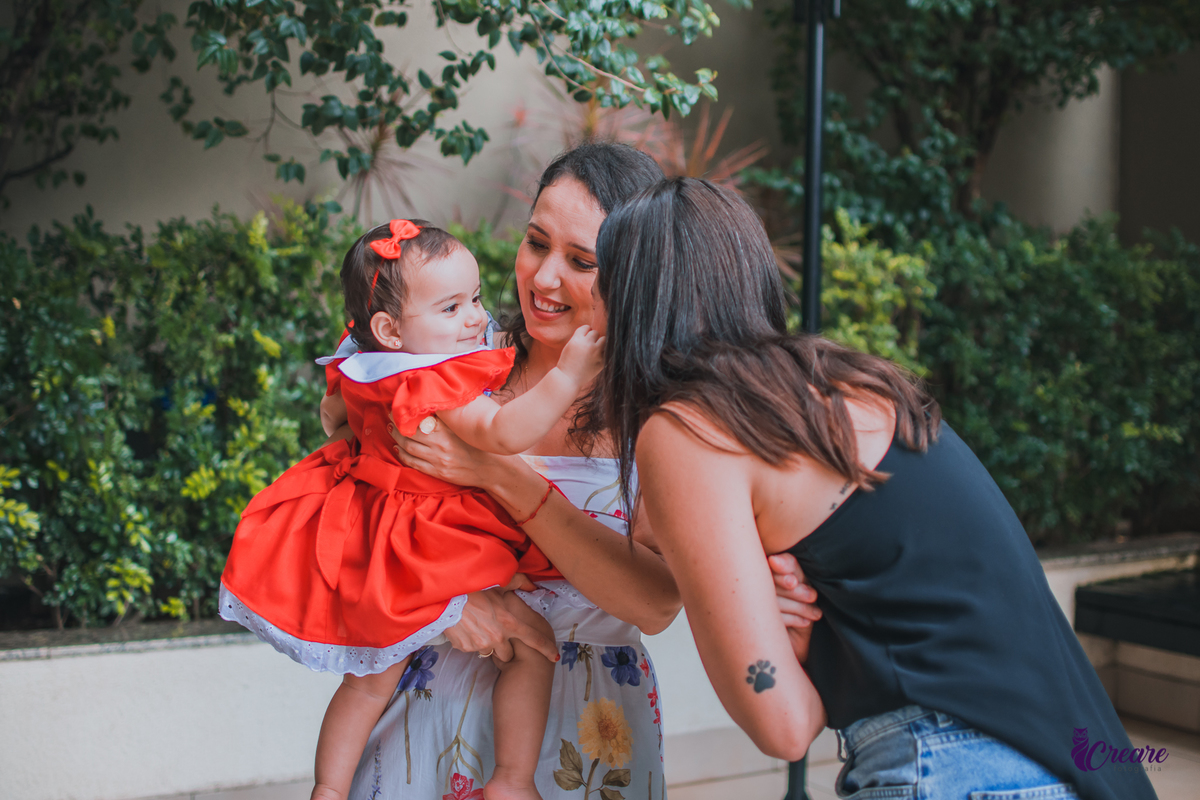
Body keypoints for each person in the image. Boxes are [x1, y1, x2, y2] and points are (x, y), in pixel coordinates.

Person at [595, 177, 1157, 800]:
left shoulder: (686, 432)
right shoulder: (843, 387)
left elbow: (783, 729)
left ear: (629, 303)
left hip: (951, 768)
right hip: (1065, 763)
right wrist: (801, 631)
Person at [337, 144, 823, 800]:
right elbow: (342, 513)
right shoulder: (452, 367)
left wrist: (502, 475)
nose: (543, 279)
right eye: (537, 243)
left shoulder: (659, 414)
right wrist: (446, 602)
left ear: (635, 274)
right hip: (433, 693)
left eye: (582, 261)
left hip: (593, 719)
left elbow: (654, 602)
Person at [220, 218, 608, 800]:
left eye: (475, 298)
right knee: (530, 650)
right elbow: (503, 431)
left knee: (369, 681)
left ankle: (328, 789)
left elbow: (339, 421)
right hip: (434, 536)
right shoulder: (432, 382)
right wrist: (569, 374)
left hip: (380, 528)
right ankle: (512, 779)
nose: (477, 319)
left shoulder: (370, 364)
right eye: (451, 308)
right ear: (391, 329)